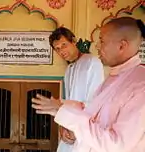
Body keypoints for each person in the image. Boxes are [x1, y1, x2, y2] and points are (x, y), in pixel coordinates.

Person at [32, 17, 145, 152]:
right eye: (57, 49)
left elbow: (116, 144)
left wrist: (68, 117)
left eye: (102, 41)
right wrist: (62, 112)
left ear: (122, 45)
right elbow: (92, 110)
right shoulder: (114, 76)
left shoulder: (139, 84)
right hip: (78, 134)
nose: (97, 46)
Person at [48, 27, 104, 152]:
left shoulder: (92, 63)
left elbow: (94, 102)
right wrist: (63, 126)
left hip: (85, 129)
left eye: (64, 45)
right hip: (69, 129)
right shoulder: (69, 69)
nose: (61, 51)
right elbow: (67, 103)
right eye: (57, 48)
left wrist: (77, 127)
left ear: (73, 41)